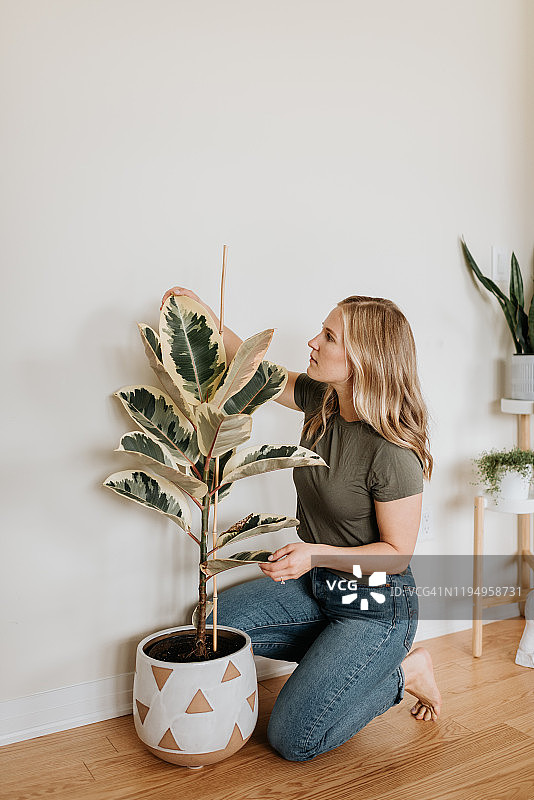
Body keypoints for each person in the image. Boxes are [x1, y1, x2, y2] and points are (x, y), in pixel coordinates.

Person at [160, 286, 442, 762]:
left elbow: (397, 556)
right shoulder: (323, 400)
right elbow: (255, 370)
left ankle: (403, 672)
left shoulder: (392, 452)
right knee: (212, 625)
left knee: (293, 740)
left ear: (362, 359)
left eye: (329, 337)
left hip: (375, 605)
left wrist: (313, 553)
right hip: (318, 586)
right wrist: (203, 316)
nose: (312, 341)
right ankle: (340, 661)